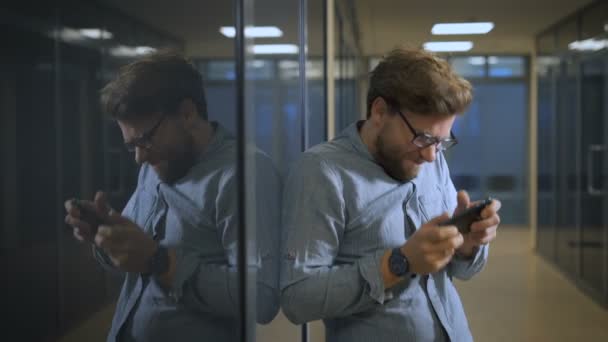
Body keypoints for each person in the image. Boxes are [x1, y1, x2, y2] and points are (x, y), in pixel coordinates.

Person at [280, 47, 502, 341]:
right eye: (422, 137)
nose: (431, 156)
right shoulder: (321, 172)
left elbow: (460, 272)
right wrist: (398, 263)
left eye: (441, 141)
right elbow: (298, 299)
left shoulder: (431, 158)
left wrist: (465, 244)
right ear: (380, 112)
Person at [64, 52, 280, 342]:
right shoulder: (157, 164)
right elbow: (134, 258)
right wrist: (104, 236)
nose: (139, 157)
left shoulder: (245, 174)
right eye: (132, 146)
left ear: (187, 113)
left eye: (145, 139)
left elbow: (263, 298)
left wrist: (162, 263)